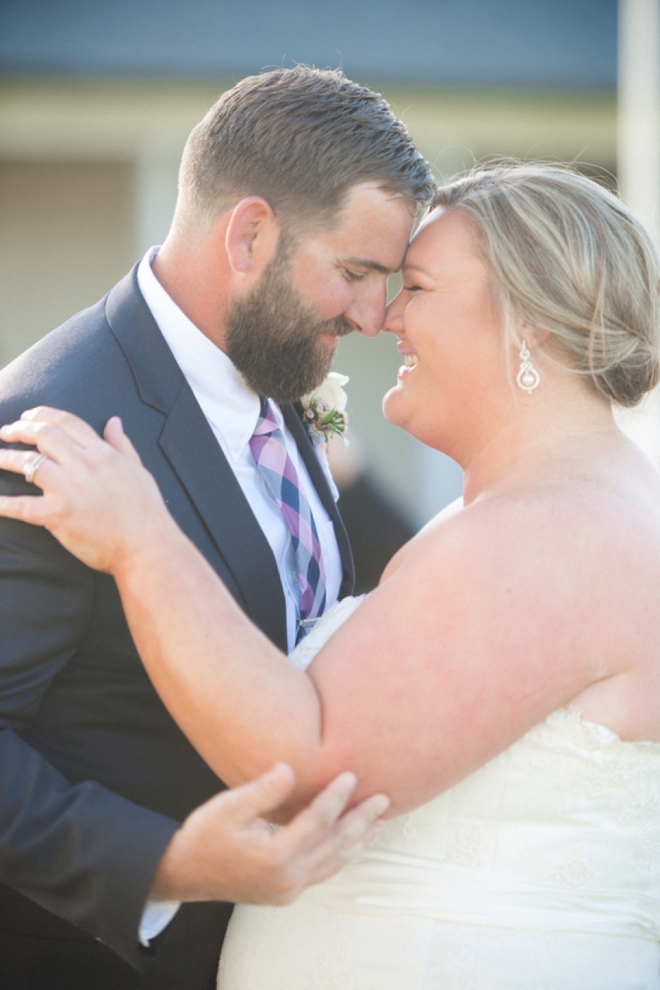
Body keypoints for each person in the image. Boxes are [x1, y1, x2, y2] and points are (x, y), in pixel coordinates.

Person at [3, 162, 660, 988]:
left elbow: (313, 771)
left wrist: (141, 541)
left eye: (414, 284)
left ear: (533, 325)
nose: (382, 317)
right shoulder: (566, 506)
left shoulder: (554, 533)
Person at [0, 66, 435, 989]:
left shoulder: (273, 370)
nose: (372, 315)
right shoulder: (53, 427)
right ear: (249, 234)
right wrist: (168, 865)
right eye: (355, 273)